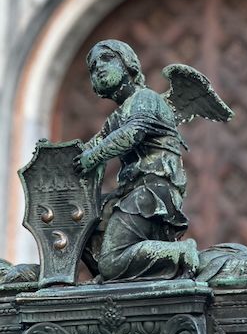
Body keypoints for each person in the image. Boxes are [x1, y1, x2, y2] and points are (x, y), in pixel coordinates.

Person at [73, 39, 233, 281]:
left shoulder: (145, 99)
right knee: (85, 224)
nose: (99, 68)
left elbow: (131, 134)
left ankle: (179, 253)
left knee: (111, 262)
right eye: (93, 67)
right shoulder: (115, 117)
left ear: (128, 64)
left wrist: (90, 158)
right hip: (130, 193)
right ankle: (115, 277)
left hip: (153, 191)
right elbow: (90, 146)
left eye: (107, 59)